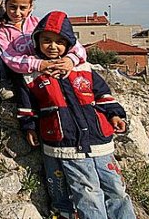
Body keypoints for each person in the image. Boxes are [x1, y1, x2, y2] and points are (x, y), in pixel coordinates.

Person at [15, 11, 135, 219]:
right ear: (37, 41)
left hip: (99, 141)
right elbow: (27, 108)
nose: (53, 46)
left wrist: (115, 115)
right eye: (46, 40)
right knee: (87, 192)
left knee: (116, 188)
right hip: (66, 143)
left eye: (60, 42)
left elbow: (103, 95)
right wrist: (30, 127)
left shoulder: (84, 68)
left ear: (69, 44)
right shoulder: (31, 75)